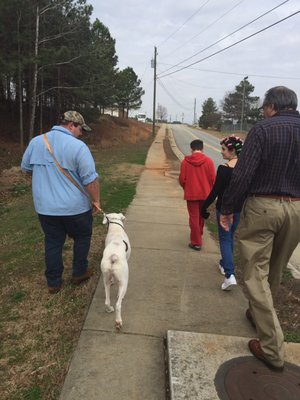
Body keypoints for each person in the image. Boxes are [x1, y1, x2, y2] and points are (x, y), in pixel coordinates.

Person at [220, 86, 300, 372]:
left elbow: (243, 174)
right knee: (275, 269)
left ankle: (271, 347)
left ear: (271, 106)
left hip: (264, 207)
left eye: (265, 107)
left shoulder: (263, 129)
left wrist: (227, 207)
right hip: (296, 208)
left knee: (255, 273)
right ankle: (258, 314)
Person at [21, 111, 101, 294]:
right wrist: (96, 200)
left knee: (53, 242)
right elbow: (90, 180)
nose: (81, 133)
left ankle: (54, 282)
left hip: (45, 208)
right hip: (75, 208)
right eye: (81, 129)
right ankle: (79, 272)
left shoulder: (36, 142)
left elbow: (25, 168)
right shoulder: (79, 147)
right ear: (72, 125)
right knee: (82, 236)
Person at [201, 135, 244, 290]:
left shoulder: (224, 169)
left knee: (225, 239)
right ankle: (223, 263)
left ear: (233, 151)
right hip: (238, 210)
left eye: (224, 149)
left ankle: (229, 275)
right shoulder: (245, 169)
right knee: (230, 236)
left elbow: (215, 191)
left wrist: (204, 206)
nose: (221, 152)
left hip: (224, 210)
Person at [179, 139, 215, 250]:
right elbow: (213, 179)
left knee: (193, 217)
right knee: (201, 216)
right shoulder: (209, 161)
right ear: (202, 148)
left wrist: (187, 188)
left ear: (191, 149)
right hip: (205, 194)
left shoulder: (185, 162)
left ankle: (196, 242)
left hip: (191, 194)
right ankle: (198, 233)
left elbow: (182, 179)